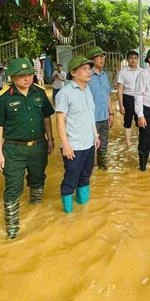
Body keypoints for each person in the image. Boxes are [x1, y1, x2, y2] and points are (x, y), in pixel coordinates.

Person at [0, 58, 54, 239]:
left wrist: (50, 139)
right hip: (13, 149)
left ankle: (36, 208)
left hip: (38, 146)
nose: (27, 79)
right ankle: (12, 229)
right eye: (21, 76)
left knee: (38, 178)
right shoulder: (3, 98)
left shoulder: (39, 93)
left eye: (29, 75)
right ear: (12, 77)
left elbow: (46, 118)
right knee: (13, 186)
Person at [55, 55, 100, 213]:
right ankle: (67, 214)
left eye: (89, 68)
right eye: (84, 69)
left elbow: (90, 115)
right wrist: (66, 145)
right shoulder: (65, 93)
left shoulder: (87, 90)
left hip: (89, 143)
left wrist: (96, 135)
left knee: (85, 177)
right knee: (70, 180)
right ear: (73, 73)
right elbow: (60, 120)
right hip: (74, 146)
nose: (89, 71)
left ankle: (83, 209)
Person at [86, 46, 113, 170]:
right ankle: (88, 170)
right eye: (99, 57)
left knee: (104, 144)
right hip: (91, 118)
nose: (102, 59)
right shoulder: (86, 77)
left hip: (104, 117)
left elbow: (107, 95)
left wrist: (110, 114)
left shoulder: (104, 75)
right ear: (92, 60)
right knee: (90, 145)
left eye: (103, 57)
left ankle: (102, 167)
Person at [116, 50, 142, 148]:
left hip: (140, 98)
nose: (133, 60)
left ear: (138, 59)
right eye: (131, 58)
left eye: (135, 58)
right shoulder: (123, 72)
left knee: (140, 118)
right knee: (128, 120)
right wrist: (121, 104)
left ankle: (141, 140)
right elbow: (120, 88)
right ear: (127, 60)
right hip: (128, 98)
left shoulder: (142, 71)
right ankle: (128, 143)